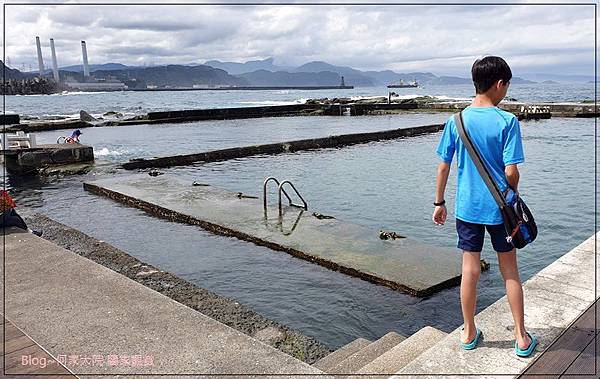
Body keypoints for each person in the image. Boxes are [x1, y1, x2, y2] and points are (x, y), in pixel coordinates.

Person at [432, 56, 537, 357]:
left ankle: (468, 331)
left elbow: (443, 167)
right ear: (499, 84)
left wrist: (439, 202)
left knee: (470, 270)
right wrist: (512, 194)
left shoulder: (456, 121)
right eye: (507, 85)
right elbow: (511, 172)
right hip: (500, 211)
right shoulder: (507, 121)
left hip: (467, 209)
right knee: (510, 272)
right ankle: (521, 338)